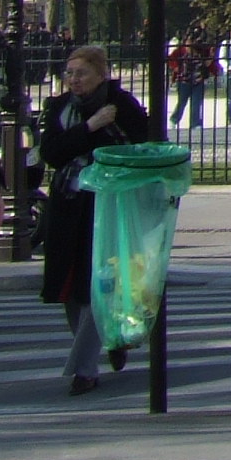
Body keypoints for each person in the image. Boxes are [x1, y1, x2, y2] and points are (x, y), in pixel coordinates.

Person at [39, 46, 149, 395]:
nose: (74, 80)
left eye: (81, 73)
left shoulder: (121, 106)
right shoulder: (60, 108)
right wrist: (89, 127)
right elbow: (52, 153)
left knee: (97, 283)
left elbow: (139, 146)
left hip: (106, 205)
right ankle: (108, 340)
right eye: (69, 73)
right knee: (69, 288)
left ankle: (85, 370)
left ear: (101, 75)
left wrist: (105, 127)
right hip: (67, 203)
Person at [164, 36, 207, 130]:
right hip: (184, 81)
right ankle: (174, 119)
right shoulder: (180, 51)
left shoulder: (200, 51)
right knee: (182, 102)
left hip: (198, 81)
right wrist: (176, 67)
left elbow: (207, 63)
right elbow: (171, 59)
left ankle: (195, 123)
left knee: (196, 102)